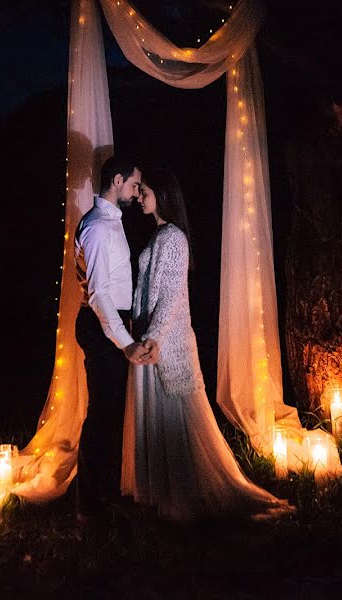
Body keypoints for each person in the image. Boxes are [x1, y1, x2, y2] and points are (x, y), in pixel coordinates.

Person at [121, 168, 291, 521]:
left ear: (163, 192)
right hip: (150, 340)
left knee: (178, 419)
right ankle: (164, 495)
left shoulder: (172, 239)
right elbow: (148, 291)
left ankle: (183, 495)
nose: (138, 196)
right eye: (137, 191)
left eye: (144, 190)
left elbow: (170, 296)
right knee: (161, 419)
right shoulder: (160, 236)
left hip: (165, 344)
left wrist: (153, 336)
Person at [73, 155, 158, 520]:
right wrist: (125, 341)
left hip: (114, 324)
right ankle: (90, 504)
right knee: (103, 411)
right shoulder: (96, 228)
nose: (137, 192)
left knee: (111, 410)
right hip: (102, 325)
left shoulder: (112, 223)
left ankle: (105, 492)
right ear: (118, 181)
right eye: (135, 185)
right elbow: (98, 294)